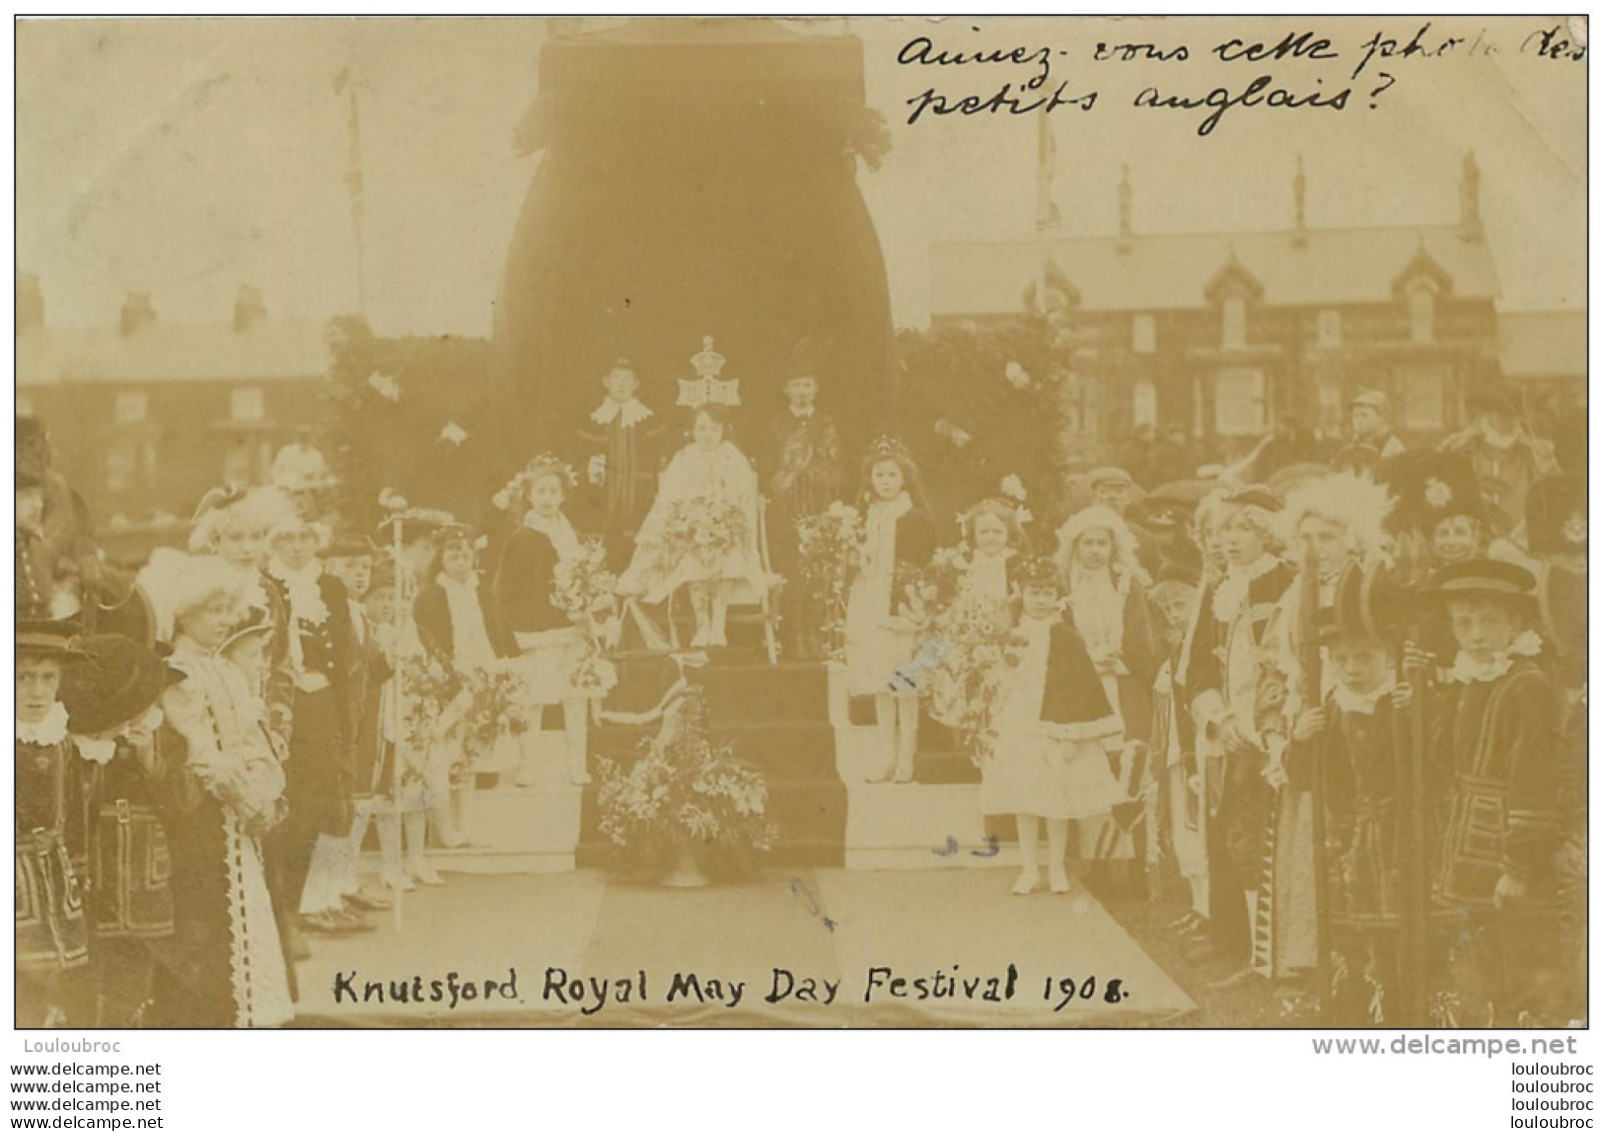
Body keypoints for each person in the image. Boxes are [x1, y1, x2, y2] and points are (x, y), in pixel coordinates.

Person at [137, 551, 294, 1028]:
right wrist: (245, 800)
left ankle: (241, 1017)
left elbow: (251, 739)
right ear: (186, 613)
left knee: (244, 914)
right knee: (206, 925)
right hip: (202, 818)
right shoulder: (180, 673)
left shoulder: (225, 670)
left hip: (240, 817)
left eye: (229, 610)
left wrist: (267, 792)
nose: (226, 621)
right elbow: (203, 755)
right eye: (215, 611)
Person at [1417, 559, 1568, 1026]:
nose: (1476, 635)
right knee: (1478, 956)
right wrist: (1427, 701)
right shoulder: (1472, 680)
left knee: (1520, 959)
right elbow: (1444, 759)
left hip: (1507, 848)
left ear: (1517, 624)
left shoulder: (1528, 686)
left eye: (1489, 622)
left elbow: (1535, 781)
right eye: (1464, 623)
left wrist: (1518, 865)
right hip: (1466, 845)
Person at [1286, 595, 1432, 1026]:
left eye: (1364, 657)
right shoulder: (1328, 707)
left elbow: (1432, 763)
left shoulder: (1399, 702)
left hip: (1395, 837)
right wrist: (1299, 740)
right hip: (1344, 839)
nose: (1353, 668)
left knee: (1396, 930)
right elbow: (1299, 779)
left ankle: (1401, 1011)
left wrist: (1418, 716)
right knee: (1348, 931)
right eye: (1343, 658)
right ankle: (1353, 1014)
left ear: (1387, 657)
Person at [1183, 485, 1297, 978]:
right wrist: (1221, 719)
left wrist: (1264, 723)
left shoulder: (1288, 584)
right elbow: (1199, 671)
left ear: (1268, 533)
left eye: (1242, 529)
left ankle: (1274, 947)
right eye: (1224, 529)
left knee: (1268, 838)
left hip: (1273, 729)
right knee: (1229, 836)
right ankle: (1235, 938)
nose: (1229, 540)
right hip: (1230, 733)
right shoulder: (1218, 588)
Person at [981, 556, 1125, 896]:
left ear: (1057, 595)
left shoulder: (1066, 636)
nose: (1042, 600)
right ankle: (1029, 868)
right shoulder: (1011, 634)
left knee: (1057, 800)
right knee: (1026, 799)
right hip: (1019, 724)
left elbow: (1079, 685)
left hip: (1055, 727)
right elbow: (998, 679)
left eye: (1047, 592)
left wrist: (1070, 735)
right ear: (1021, 594)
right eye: (1035, 592)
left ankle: (1057, 867)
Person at [59, 634, 180, 1027]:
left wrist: (152, 762)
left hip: (142, 894)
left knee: (133, 981)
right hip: (90, 892)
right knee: (84, 982)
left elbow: (183, 803)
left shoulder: (159, 740)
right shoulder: (73, 749)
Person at [262, 495, 363, 941]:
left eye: (305, 537)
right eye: (288, 537)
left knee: (325, 798)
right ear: (274, 541)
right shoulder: (267, 586)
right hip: (284, 705)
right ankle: (281, 909)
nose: (298, 547)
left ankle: (311, 900)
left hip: (324, 705)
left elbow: (346, 653)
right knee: (289, 803)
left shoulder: (331, 587)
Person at [618, 405, 771, 649]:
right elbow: (671, 497)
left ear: (724, 430)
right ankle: (703, 624)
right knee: (693, 557)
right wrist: (689, 519)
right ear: (692, 431)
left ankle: (718, 623)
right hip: (690, 530)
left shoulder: (733, 457)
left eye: (714, 428)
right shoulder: (684, 458)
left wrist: (723, 517)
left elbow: (742, 497)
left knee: (728, 555)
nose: (708, 434)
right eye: (702, 428)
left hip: (725, 529)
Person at [494, 454, 601, 786]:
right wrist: (515, 630)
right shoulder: (522, 538)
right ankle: (529, 765)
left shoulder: (573, 537)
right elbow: (505, 590)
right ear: (529, 495)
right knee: (535, 699)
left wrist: (586, 607)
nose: (547, 498)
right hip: (537, 630)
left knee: (576, 697)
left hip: (573, 629)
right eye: (540, 491)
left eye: (553, 491)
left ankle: (576, 764)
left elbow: (587, 579)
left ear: (563, 496)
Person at [842, 437, 937, 784]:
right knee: (882, 685)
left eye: (892, 475)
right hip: (870, 603)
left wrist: (916, 604)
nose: (885, 481)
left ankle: (906, 759)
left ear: (904, 479)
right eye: (879, 475)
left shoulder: (915, 519)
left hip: (901, 608)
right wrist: (853, 556)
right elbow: (852, 563)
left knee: (904, 683)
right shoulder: (862, 517)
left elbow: (925, 566)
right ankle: (885, 756)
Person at [15, 621, 95, 1026]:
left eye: (48, 678)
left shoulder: (60, 740)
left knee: (58, 982)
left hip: (53, 881)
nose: (36, 690)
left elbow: (75, 814)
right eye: (23, 678)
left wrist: (77, 874)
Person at [762, 340, 843, 660]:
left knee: (818, 577)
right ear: (786, 390)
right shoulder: (775, 426)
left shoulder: (827, 424)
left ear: (817, 388)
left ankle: (814, 633)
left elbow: (838, 468)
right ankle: (793, 635)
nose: (802, 391)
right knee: (792, 575)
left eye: (807, 385)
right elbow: (769, 473)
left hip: (819, 507)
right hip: (787, 510)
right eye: (796, 385)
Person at [575, 358, 665, 570]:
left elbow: (658, 461)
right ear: (606, 381)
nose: (622, 383)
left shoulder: (648, 419)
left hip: (640, 498)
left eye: (627, 378)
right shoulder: (594, 419)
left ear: (636, 384)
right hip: (603, 499)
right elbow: (582, 460)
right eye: (616, 377)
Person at [1439, 385, 1559, 539]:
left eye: (1513, 416)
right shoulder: (1464, 447)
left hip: (1519, 535)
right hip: (1471, 535)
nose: (1508, 421)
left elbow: (1553, 489)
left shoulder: (1532, 451)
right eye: (1501, 414)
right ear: (1488, 414)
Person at [1350, 388, 1406, 460]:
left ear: (1381, 418)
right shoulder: (1350, 446)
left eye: (1365, 415)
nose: (1359, 421)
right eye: (1355, 416)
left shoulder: (1393, 448)